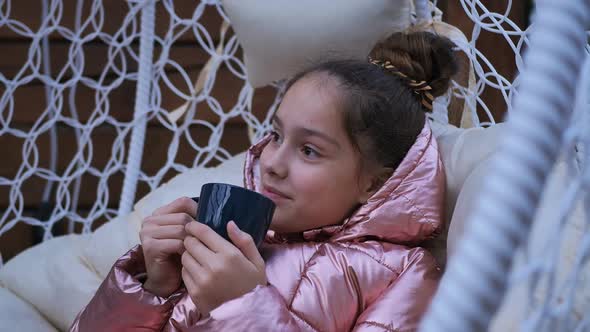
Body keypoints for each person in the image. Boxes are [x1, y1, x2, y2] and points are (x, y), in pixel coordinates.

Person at [69, 31, 458, 332]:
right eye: (275, 135)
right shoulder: (241, 240)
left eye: (309, 150)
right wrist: (153, 288)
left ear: (374, 184)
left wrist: (241, 306)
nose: (271, 163)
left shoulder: (405, 273)